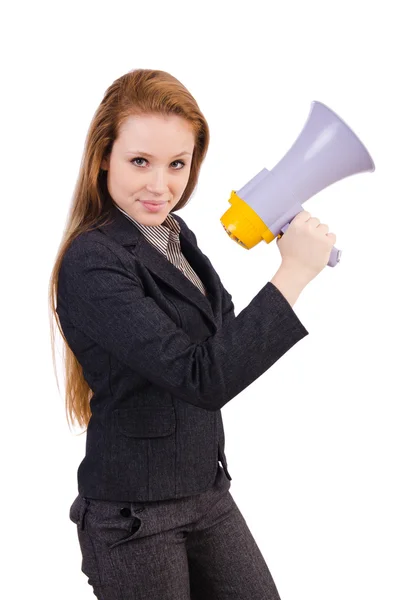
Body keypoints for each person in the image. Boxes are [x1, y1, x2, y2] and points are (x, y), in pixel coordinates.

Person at [49, 68, 337, 600]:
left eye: (177, 164)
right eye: (141, 161)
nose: (161, 186)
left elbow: (220, 346)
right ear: (104, 157)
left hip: (207, 491)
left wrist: (289, 254)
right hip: (136, 515)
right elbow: (202, 377)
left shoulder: (175, 236)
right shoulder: (92, 261)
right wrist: (292, 275)